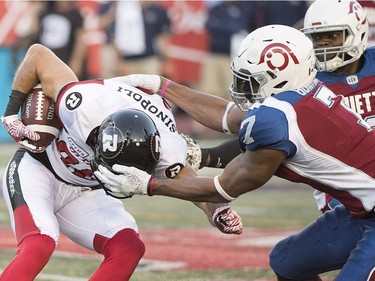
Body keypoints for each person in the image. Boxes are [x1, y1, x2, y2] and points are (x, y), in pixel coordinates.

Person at [93, 24, 375, 281]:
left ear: (277, 77)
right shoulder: (299, 98)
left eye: (249, 80)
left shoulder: (278, 119)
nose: (242, 88)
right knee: (288, 262)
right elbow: (228, 116)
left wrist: (149, 185)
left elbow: (222, 188)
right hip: (361, 211)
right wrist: (164, 87)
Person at [0, 44, 242, 280]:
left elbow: (188, 183)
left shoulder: (167, 146)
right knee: (39, 243)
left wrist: (216, 208)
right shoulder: (85, 105)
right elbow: (38, 54)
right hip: (39, 169)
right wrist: (11, 112)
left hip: (87, 189)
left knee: (129, 248)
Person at [183, 0, 374, 214]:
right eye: (316, 38)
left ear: (358, 32)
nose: (324, 44)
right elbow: (266, 135)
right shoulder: (301, 79)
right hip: (343, 193)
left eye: (333, 36)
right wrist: (205, 155)